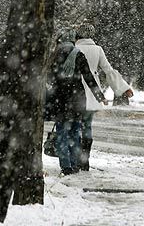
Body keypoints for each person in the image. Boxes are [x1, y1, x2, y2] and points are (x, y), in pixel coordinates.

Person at [46, 29, 107, 175]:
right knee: (75, 133)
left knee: (62, 133)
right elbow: (88, 77)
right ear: (73, 41)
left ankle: (65, 165)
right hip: (77, 100)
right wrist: (99, 96)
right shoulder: (78, 54)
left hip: (60, 100)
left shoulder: (55, 55)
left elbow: (49, 78)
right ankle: (75, 164)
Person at [75, 22, 134, 171]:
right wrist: (123, 87)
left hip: (75, 91)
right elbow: (109, 70)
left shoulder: (75, 48)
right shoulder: (98, 50)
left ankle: (74, 158)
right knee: (87, 127)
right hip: (93, 91)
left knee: (74, 126)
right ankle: (85, 160)